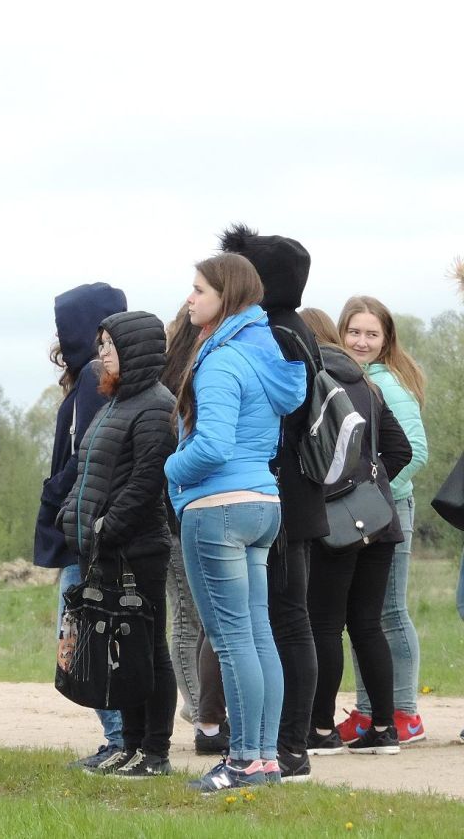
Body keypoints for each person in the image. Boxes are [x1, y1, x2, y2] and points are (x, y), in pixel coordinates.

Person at [164, 253, 306, 792]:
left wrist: (170, 469)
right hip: (262, 504)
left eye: (200, 289)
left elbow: (213, 446)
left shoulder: (222, 360)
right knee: (257, 634)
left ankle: (243, 760)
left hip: (217, 507)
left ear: (227, 296)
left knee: (230, 641)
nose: (190, 298)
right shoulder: (261, 352)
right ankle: (265, 759)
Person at [219, 225, 326, 781]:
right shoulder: (296, 328)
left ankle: (287, 745)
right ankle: (285, 742)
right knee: (287, 618)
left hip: (276, 490)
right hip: (294, 494)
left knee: (282, 620)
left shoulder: (275, 334)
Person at [57, 312, 178, 777]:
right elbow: (87, 468)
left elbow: (147, 480)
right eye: (102, 344)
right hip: (105, 548)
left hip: (139, 549)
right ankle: (129, 745)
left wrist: (107, 527)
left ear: (135, 350)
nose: (102, 354)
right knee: (123, 653)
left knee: (150, 651)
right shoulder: (115, 403)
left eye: (109, 345)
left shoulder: (156, 405)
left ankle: (155, 752)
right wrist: (71, 515)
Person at [299, 307, 412, 758]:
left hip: (333, 523)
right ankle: (384, 729)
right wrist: (368, 486)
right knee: (367, 625)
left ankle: (321, 729)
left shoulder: (314, 382)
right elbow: (400, 449)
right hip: (380, 519)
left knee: (324, 625)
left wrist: (336, 492)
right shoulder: (368, 384)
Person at [33, 282, 128, 771]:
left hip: (85, 531)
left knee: (84, 637)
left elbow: (90, 453)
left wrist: (55, 491)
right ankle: (122, 737)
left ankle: (120, 739)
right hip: (88, 525)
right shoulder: (93, 377)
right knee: (92, 634)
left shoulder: (94, 377)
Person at [336, 296, 429, 745]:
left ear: (386, 339)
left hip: (389, 511)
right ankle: (371, 710)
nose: (362, 341)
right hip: (368, 512)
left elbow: (415, 452)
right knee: (365, 615)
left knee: (388, 612)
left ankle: (405, 711)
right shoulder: (357, 378)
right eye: (354, 332)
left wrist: (371, 491)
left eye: (372, 334)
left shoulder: (387, 382)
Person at [160, 306, 213, 751]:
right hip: (175, 515)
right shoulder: (176, 384)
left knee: (198, 616)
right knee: (187, 615)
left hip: (191, 511)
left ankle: (202, 704)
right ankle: (199, 708)